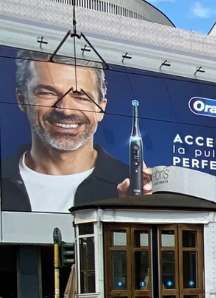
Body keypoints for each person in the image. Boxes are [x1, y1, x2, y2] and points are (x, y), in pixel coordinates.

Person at [2, 49, 151, 213]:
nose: (65, 110)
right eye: (47, 93)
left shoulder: (133, 189)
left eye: (81, 96)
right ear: (22, 99)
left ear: (101, 109)